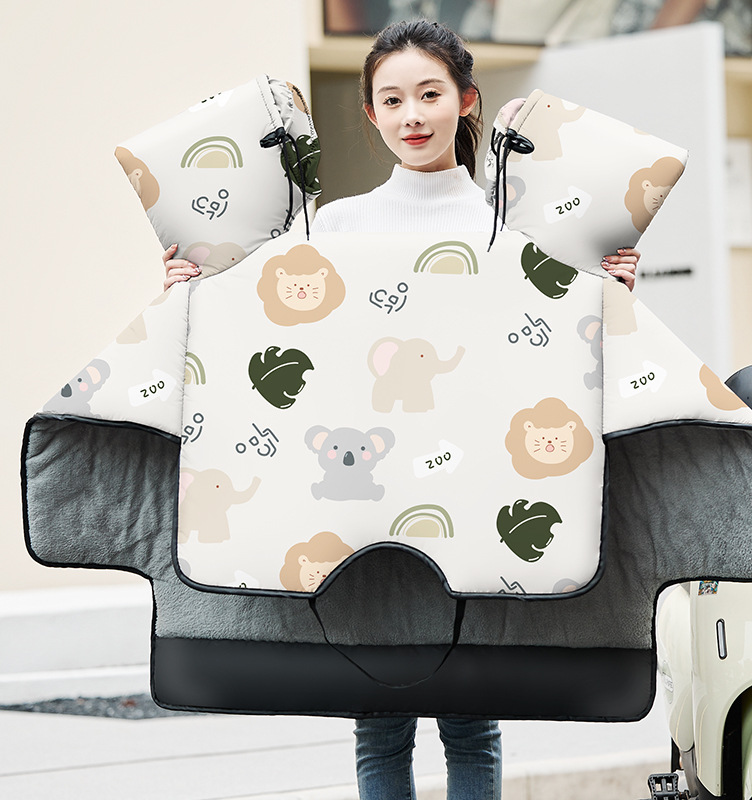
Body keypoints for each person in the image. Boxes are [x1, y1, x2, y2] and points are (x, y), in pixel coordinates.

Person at [162, 19, 639, 799]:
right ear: (372, 114)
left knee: (472, 723)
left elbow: (558, 347)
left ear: (466, 101)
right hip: (363, 505)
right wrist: (190, 288)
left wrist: (611, 291)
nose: (411, 114)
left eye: (428, 94)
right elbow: (269, 332)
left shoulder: (515, 226)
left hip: (477, 497)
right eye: (392, 100)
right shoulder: (333, 226)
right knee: (378, 724)